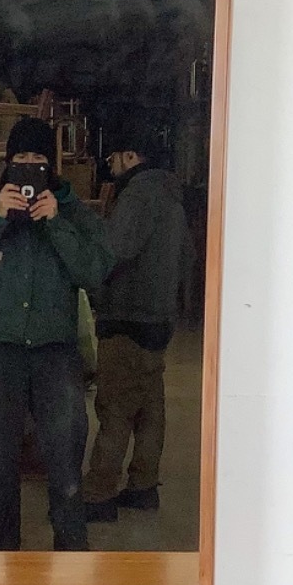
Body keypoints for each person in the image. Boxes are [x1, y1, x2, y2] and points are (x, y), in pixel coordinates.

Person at [0, 116, 114, 551]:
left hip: (55, 352)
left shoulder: (74, 214)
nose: (29, 169)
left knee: (65, 463)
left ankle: (71, 567)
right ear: (8, 164)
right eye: (20, 159)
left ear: (52, 166)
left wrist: (56, 222)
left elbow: (95, 271)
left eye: (39, 160)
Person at [82, 125, 190, 521]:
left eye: (112, 157)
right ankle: (143, 487)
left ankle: (97, 495)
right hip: (157, 318)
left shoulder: (138, 195)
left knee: (114, 408)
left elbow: (116, 249)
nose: (109, 165)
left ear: (130, 156)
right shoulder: (170, 194)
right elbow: (186, 259)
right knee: (149, 408)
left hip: (127, 317)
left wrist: (91, 249)